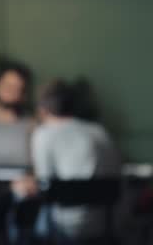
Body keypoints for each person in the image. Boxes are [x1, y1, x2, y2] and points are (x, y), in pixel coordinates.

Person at [11, 79, 121, 243]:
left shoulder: (44, 134)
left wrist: (26, 186)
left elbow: (45, 182)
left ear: (43, 110)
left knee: (18, 197)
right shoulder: (99, 131)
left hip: (66, 228)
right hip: (107, 225)